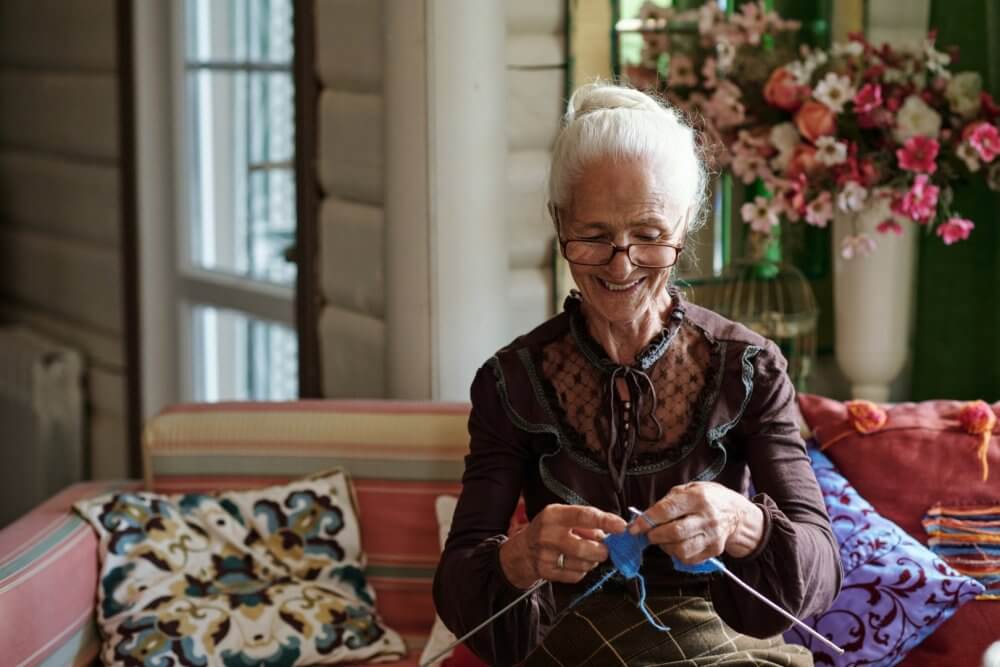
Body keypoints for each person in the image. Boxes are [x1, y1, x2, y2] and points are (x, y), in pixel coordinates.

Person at [433, 81, 841, 666]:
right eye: (594, 237)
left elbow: (822, 570)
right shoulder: (513, 381)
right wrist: (518, 558)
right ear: (559, 223)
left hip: (726, 651)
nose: (621, 266)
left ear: (683, 224)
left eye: (649, 237)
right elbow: (459, 582)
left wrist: (742, 522)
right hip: (575, 649)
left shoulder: (746, 367)